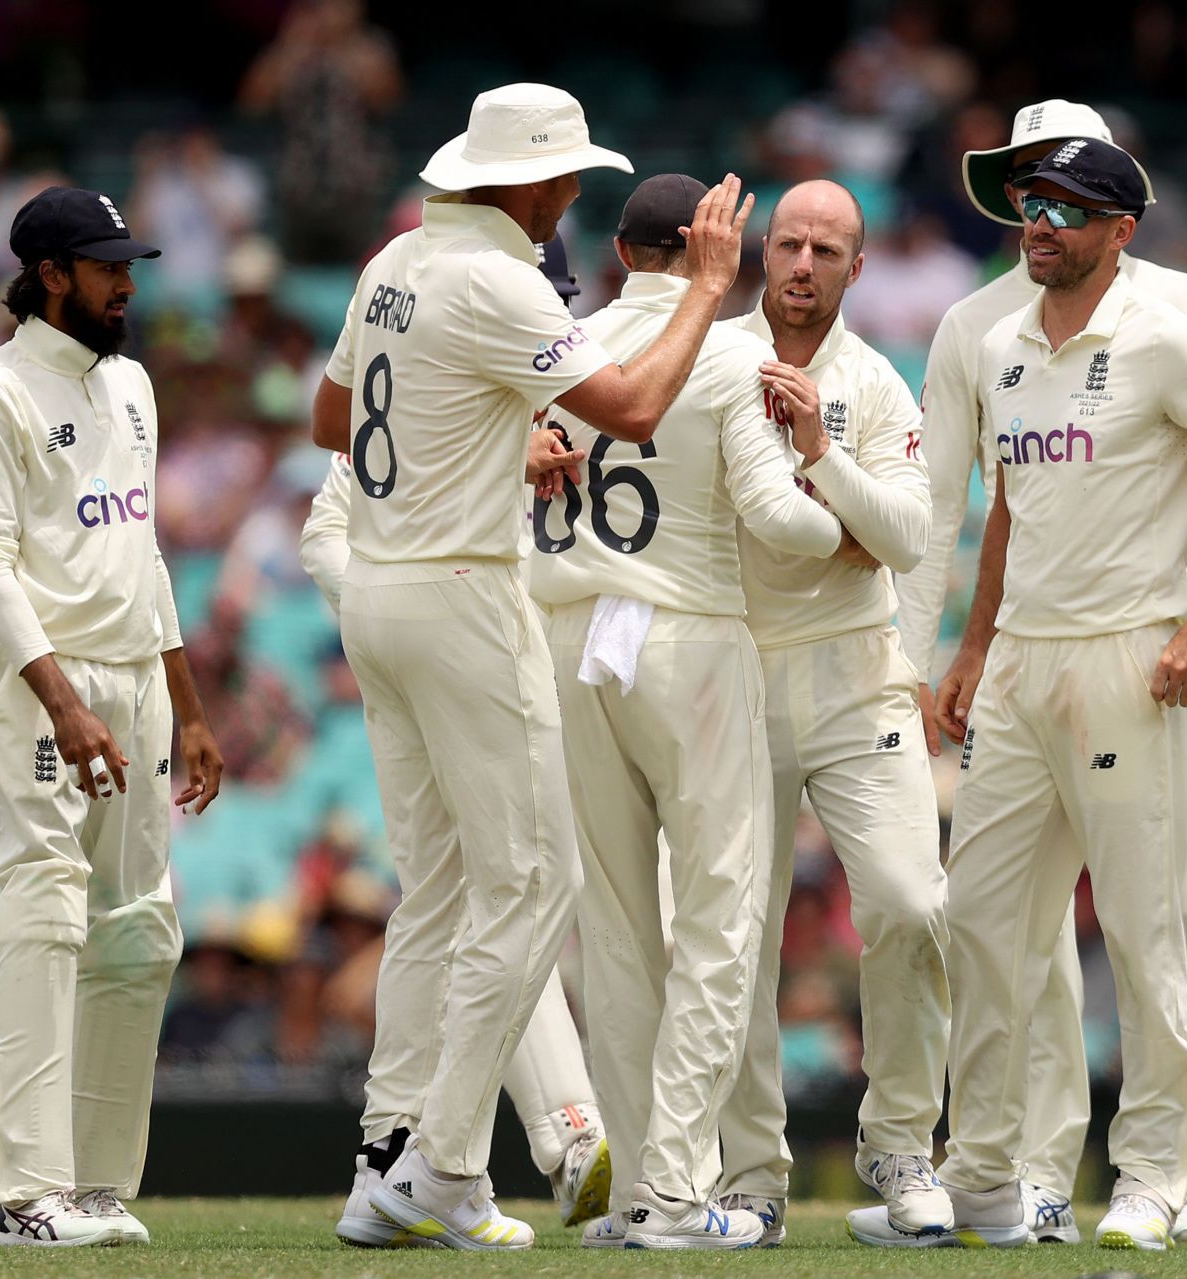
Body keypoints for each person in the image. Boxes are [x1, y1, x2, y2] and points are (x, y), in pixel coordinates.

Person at [309, 83, 752, 1251]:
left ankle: (384, 1162)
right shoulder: (498, 276)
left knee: (450, 889)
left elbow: (328, 419)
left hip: (381, 591)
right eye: (562, 178)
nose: (568, 200)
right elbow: (638, 406)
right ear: (521, 181)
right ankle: (442, 1168)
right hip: (460, 595)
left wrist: (494, 440)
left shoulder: (395, 263)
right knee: (534, 886)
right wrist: (706, 288)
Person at [892, 100, 1187, 1246]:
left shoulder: (1169, 318)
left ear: (1119, 226)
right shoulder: (990, 338)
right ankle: (991, 1174)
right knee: (989, 929)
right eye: (1024, 196)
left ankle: (1163, 1172)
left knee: (1156, 928)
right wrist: (966, 649)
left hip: (1135, 654)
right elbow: (995, 509)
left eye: (1058, 204)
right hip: (1021, 668)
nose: (1032, 218)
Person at [528, 175, 844, 1249]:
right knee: (717, 923)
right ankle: (671, 1189)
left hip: (575, 640)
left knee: (615, 934)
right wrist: (835, 508)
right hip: (692, 637)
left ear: (620, 250)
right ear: (717, 249)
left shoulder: (564, 345)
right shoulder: (717, 350)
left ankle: (632, 1200)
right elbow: (778, 521)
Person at [299, 232, 615, 1233]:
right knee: (506, 895)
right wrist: (426, 622)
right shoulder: (441, 394)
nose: (550, 325)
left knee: (472, 903)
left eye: (558, 306)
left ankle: (396, 1153)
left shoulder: (573, 404)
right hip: (455, 670)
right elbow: (327, 531)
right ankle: (538, 1144)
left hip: (546, 682)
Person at [0, 186, 225, 1248]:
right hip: (43, 685)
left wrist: (187, 708)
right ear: (50, 274)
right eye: (108, 267)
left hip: (137, 687)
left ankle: (98, 1188)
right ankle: (29, 1194)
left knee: (142, 928)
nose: (127, 284)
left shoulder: (134, 386)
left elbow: (143, 553)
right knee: (45, 911)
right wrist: (59, 700)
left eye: (130, 264)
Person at [706, 179, 952, 1247]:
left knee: (909, 902)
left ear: (858, 268)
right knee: (737, 937)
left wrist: (817, 451)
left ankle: (899, 1144)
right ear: (765, 252)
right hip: (738, 672)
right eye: (789, 243)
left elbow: (905, 536)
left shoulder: (876, 384)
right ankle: (752, 1173)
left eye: (827, 250)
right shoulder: (711, 358)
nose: (803, 264)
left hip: (858, 673)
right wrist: (840, 526)